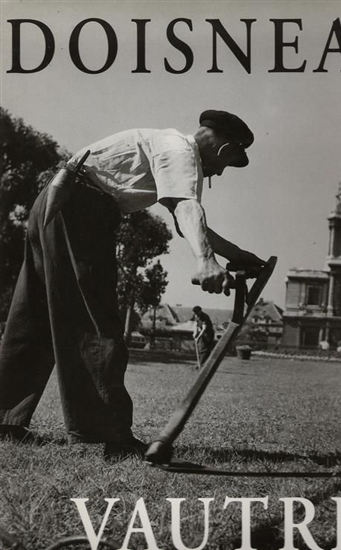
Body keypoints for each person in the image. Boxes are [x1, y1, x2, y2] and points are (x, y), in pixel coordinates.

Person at [0, 109, 265, 460]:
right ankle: (108, 434)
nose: (220, 171)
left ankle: (5, 419)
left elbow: (184, 218)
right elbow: (188, 208)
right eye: (229, 162)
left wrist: (238, 255)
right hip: (81, 208)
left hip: (53, 199)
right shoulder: (181, 151)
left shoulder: (164, 142)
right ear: (224, 147)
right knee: (96, 321)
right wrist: (205, 262)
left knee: (33, 316)